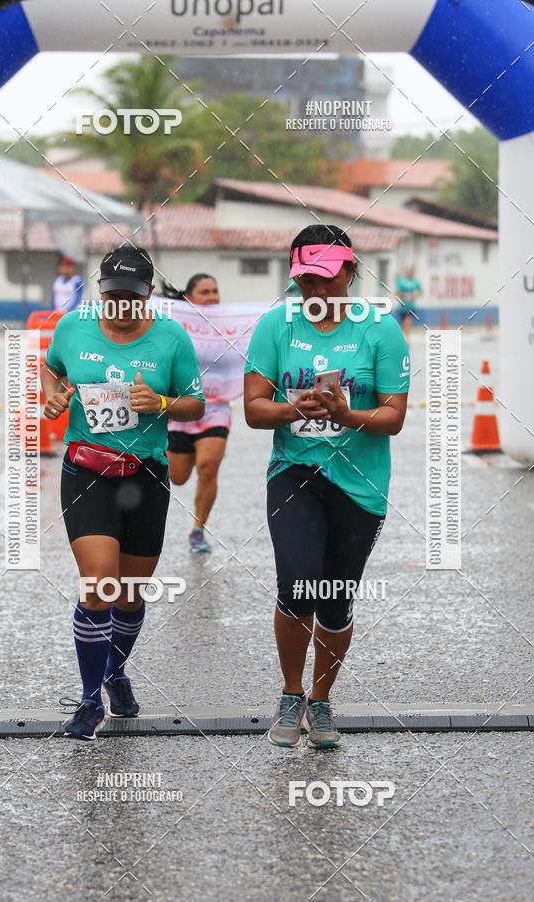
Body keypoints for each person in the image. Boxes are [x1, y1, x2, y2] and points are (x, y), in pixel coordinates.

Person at [244, 224, 409, 750]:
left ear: (350, 271)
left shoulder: (380, 330)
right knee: (297, 584)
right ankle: (291, 694)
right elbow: (253, 409)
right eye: (303, 281)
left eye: (323, 279)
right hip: (294, 473)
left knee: (335, 599)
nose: (313, 292)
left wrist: (348, 414)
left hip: (360, 484)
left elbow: (394, 415)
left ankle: (321, 700)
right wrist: (293, 407)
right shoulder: (276, 326)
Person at [42, 245, 205, 740]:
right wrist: (51, 393)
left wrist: (159, 401)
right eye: (112, 296)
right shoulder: (72, 327)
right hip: (86, 471)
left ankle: (114, 671)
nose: (121, 306)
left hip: (145, 474)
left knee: (129, 595)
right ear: (100, 293)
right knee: (99, 585)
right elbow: (52, 369)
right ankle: (90, 700)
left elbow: (195, 405)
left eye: (132, 298)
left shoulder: (172, 338)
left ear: (149, 294)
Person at [167, 273, 230, 554]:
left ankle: (198, 530)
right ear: (189, 298)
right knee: (178, 476)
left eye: (215, 291)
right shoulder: (173, 326)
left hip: (215, 409)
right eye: (205, 292)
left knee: (208, 467)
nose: (212, 297)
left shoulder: (231, 326)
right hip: (180, 409)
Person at [395, 264, 421, 339]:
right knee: (404, 324)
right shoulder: (401, 281)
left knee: (408, 321)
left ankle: (407, 339)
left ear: (412, 272)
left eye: (410, 271)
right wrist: (403, 295)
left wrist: (414, 295)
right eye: (407, 271)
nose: (409, 273)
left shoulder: (415, 281)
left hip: (411, 306)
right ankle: (403, 337)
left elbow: (420, 292)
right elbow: (396, 293)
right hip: (402, 306)